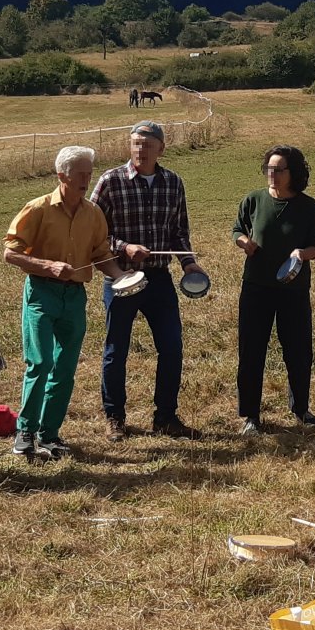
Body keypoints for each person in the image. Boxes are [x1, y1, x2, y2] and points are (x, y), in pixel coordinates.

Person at [1, 145, 121, 460]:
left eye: (89, 174)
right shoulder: (38, 208)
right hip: (42, 293)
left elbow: (101, 254)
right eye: (79, 174)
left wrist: (122, 277)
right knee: (40, 362)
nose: (86, 180)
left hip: (74, 297)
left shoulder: (93, 213)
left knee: (65, 368)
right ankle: (25, 431)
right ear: (61, 175)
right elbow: (10, 253)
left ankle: (49, 434)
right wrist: (47, 266)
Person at [91, 120, 205, 441]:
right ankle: (115, 418)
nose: (141, 150)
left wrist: (189, 264)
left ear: (161, 149)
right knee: (116, 350)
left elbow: (179, 231)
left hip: (159, 279)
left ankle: (166, 417)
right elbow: (92, 232)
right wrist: (123, 247)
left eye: (148, 144)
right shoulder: (110, 181)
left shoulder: (173, 183)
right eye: (136, 143)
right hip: (121, 278)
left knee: (172, 347)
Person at [232, 145, 315, 434]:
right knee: (251, 351)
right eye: (269, 169)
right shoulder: (253, 200)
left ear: (293, 173)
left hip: (293, 290)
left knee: (298, 350)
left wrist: (301, 254)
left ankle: (301, 409)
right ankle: (250, 416)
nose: (272, 174)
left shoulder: (309, 207)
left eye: (278, 169)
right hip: (256, 288)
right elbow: (237, 230)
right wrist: (243, 242)